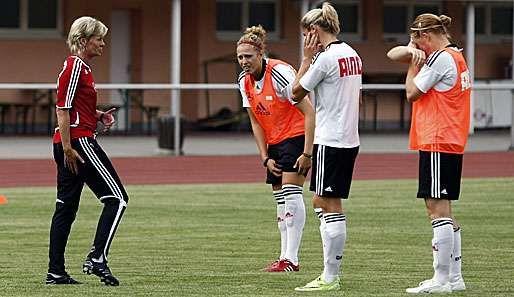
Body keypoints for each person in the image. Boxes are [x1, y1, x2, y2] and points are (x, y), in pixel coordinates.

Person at [387, 13, 470, 294]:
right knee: (443, 208)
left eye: (418, 40)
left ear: (427, 37)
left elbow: (412, 92)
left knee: (437, 209)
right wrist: (412, 49)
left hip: (438, 138)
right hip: (448, 138)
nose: (417, 48)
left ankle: (441, 279)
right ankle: (454, 278)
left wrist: (413, 65)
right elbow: (392, 52)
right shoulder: (456, 55)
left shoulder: (440, 58)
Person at [46, 16, 128, 286]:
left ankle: (56, 273)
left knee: (65, 209)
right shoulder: (75, 67)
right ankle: (97, 258)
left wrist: (97, 114)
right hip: (78, 143)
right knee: (117, 199)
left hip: (72, 141)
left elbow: (75, 106)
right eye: (99, 38)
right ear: (83, 40)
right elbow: (62, 108)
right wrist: (69, 146)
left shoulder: (82, 69)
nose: (103, 44)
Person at [291, 2, 361, 292]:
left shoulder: (325, 58)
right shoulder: (352, 54)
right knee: (324, 202)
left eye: (306, 34)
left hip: (331, 139)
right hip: (347, 137)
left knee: (328, 204)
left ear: (315, 31)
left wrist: (306, 59)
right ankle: (330, 270)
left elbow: (294, 93)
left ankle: (330, 275)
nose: (306, 40)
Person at [236, 25, 315, 272]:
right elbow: (254, 120)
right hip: (275, 143)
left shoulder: (279, 72)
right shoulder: (243, 81)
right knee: (280, 203)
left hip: (296, 136)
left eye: (248, 56)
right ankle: (283, 258)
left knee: (292, 197)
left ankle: (292, 260)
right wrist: (264, 157)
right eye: (239, 57)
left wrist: (307, 152)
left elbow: (308, 111)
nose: (244, 61)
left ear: (261, 54)